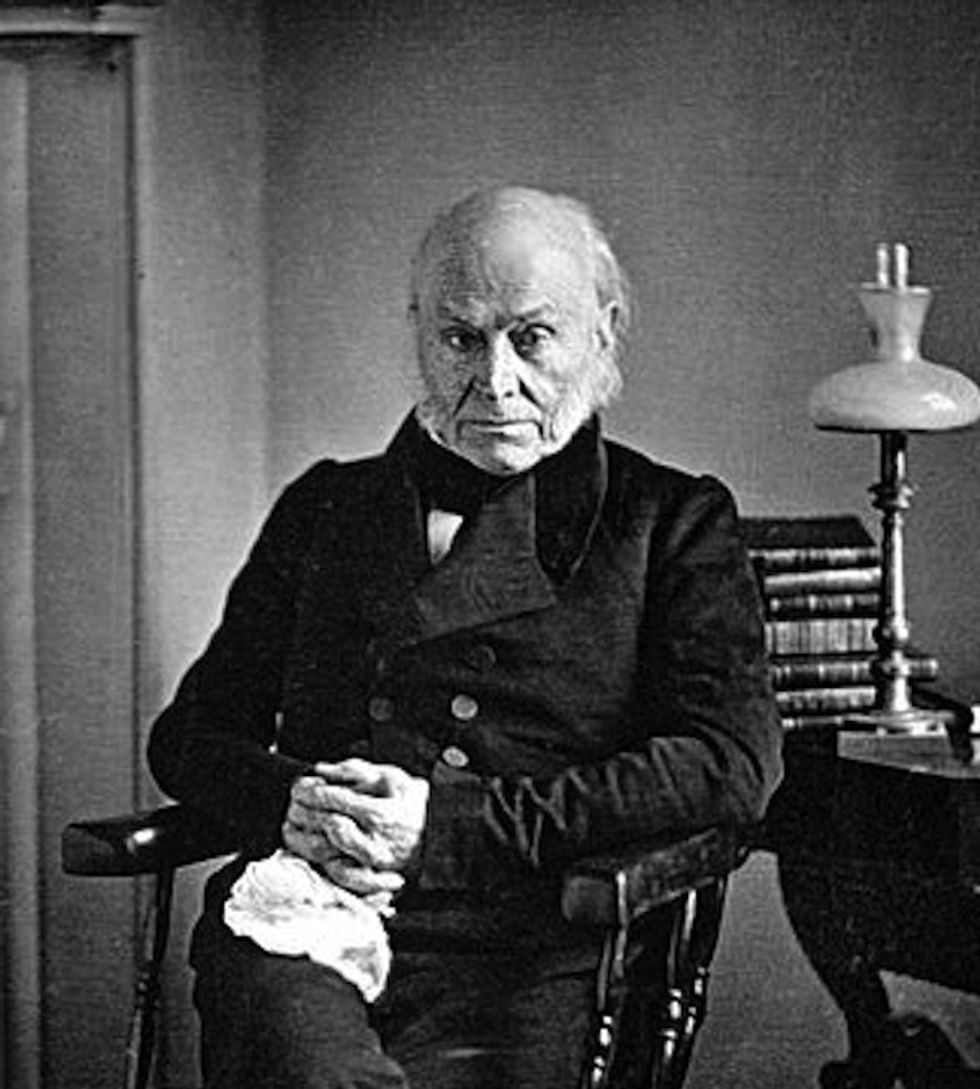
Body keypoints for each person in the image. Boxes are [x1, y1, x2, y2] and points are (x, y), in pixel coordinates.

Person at [148, 185, 783, 1089]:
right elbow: (189, 734)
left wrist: (444, 827)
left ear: (602, 332)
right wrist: (290, 802)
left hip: (528, 941)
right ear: (417, 334)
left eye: (532, 336)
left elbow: (729, 761)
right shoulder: (327, 506)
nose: (495, 380)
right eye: (460, 338)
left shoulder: (670, 521)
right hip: (307, 920)